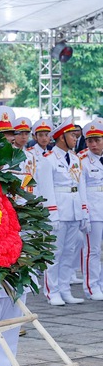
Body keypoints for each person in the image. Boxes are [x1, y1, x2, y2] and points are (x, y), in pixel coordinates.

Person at [36, 117, 88, 305]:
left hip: (74, 210)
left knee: (70, 251)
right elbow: (46, 189)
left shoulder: (75, 158)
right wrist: (52, 213)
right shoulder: (48, 160)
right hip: (58, 210)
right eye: (72, 135)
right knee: (55, 253)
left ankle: (65, 289)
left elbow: (80, 186)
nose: (76, 139)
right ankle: (53, 291)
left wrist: (84, 212)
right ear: (61, 137)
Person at [80, 118, 103, 300]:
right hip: (94, 210)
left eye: (98, 140)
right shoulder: (82, 160)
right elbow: (80, 188)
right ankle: (91, 286)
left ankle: (101, 283)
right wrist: (84, 212)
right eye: (90, 141)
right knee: (92, 250)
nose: (94, 144)